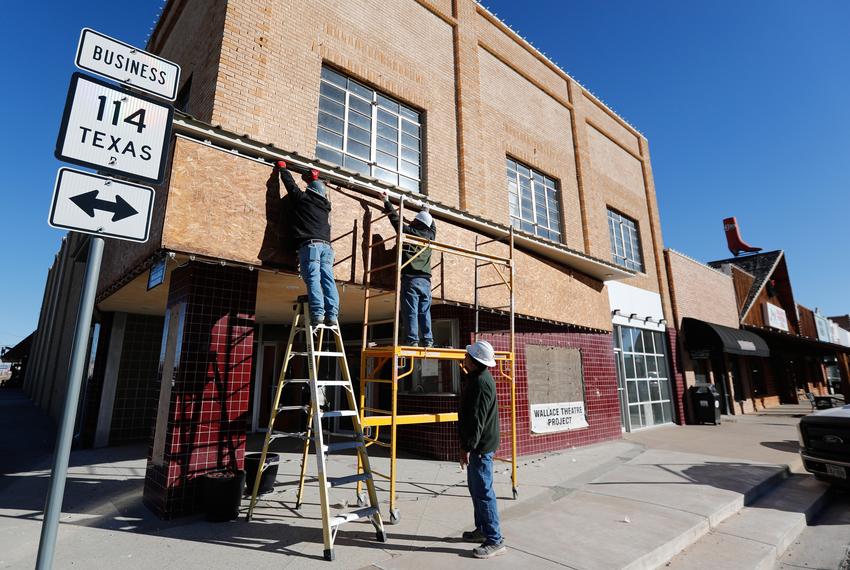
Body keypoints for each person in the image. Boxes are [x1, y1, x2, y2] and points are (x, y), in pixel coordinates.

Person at [458, 340, 506, 559]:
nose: (464, 358)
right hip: (480, 445)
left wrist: (467, 448)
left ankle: (494, 540)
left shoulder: (480, 384)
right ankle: (482, 530)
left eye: (468, 356)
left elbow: (476, 419)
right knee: (477, 490)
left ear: (475, 361)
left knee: (484, 493)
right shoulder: (478, 378)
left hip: (480, 447)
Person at [277, 161, 339, 326]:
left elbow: (290, 185)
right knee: (328, 280)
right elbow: (317, 191)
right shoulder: (326, 206)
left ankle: (318, 313)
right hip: (326, 247)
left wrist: (282, 168)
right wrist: (315, 178)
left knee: (313, 278)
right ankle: (332, 315)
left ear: (309, 191)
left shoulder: (303, 200)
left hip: (311, 246)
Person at [380, 191, 437, 347]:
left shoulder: (408, 232)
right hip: (425, 282)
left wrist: (386, 201)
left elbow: (395, 220)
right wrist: (426, 211)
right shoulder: (430, 237)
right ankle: (428, 340)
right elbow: (432, 227)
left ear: (417, 223)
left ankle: (413, 340)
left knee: (410, 311)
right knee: (424, 311)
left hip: (411, 279)